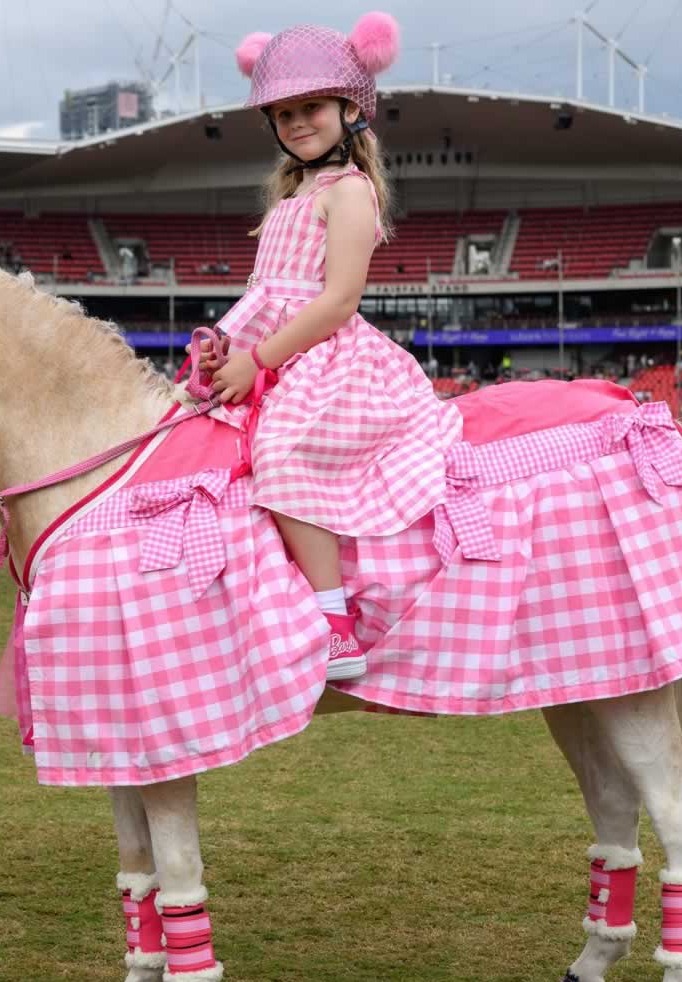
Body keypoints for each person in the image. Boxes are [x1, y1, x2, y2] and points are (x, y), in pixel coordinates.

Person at [199, 15, 460, 681]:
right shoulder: (292, 195)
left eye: (310, 107)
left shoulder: (349, 193)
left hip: (326, 361)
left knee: (282, 454)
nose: (296, 122)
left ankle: (335, 621)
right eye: (283, 113)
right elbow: (266, 298)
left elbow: (337, 300)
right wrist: (227, 349)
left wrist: (256, 362)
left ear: (350, 108)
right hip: (271, 350)